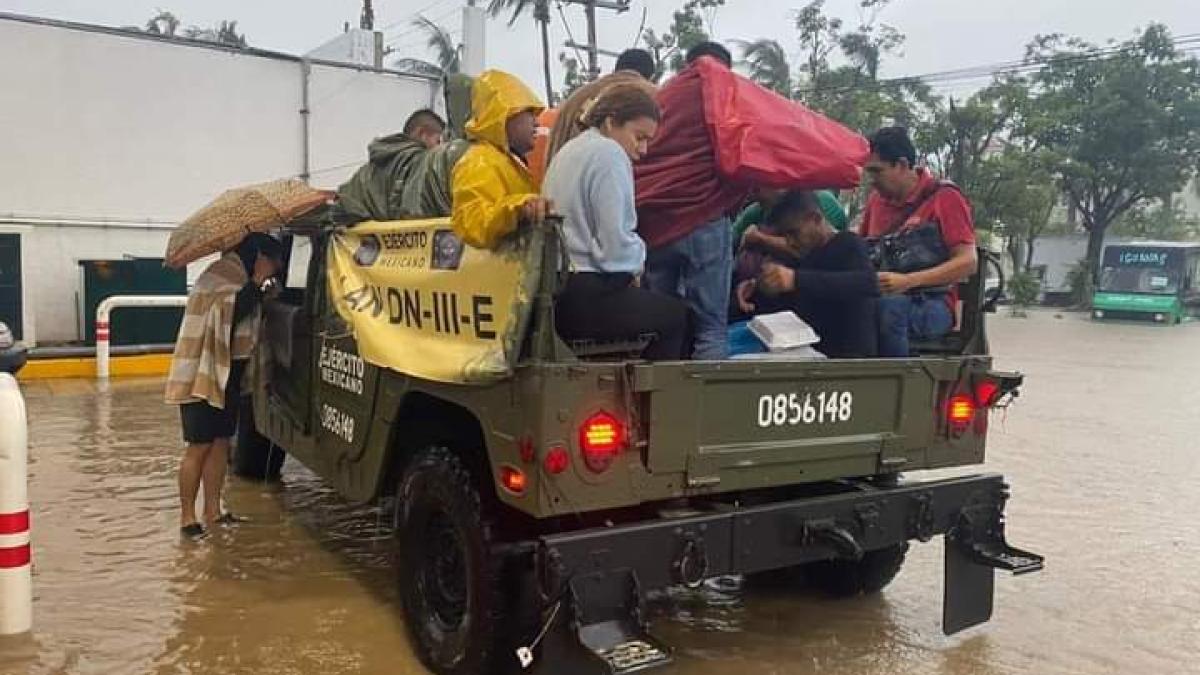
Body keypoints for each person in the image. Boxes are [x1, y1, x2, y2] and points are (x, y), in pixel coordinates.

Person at [543, 84, 690, 361]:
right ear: (611, 122)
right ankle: (656, 403)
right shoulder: (609, 155)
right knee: (678, 317)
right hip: (585, 293)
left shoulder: (569, 150)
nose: (644, 149)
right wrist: (638, 262)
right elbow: (613, 247)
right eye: (639, 137)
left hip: (556, 291)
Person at [634, 42, 749, 360]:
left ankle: (659, 403)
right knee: (710, 327)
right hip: (706, 220)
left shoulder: (663, 96)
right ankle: (707, 408)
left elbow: (643, 156)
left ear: (687, 64)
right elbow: (740, 157)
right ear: (724, 66)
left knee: (661, 323)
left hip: (658, 224)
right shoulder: (727, 93)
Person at [165, 233, 283, 541]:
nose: (277, 268)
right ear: (260, 257)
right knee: (199, 446)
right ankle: (187, 517)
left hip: (228, 376)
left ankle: (213, 511)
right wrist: (257, 283)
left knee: (220, 443)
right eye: (274, 262)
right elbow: (227, 313)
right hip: (202, 374)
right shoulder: (219, 276)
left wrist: (261, 290)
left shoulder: (240, 277)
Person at [857, 127, 977, 356]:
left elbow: (968, 262)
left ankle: (893, 386)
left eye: (876, 171)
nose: (872, 180)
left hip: (932, 304)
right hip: (881, 298)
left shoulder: (946, 197)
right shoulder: (876, 202)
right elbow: (860, 249)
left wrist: (908, 281)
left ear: (901, 165)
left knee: (890, 310)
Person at [735, 191, 879, 358]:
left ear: (816, 219)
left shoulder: (848, 244)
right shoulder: (803, 256)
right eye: (784, 236)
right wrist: (757, 287)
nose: (789, 241)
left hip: (847, 355)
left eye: (794, 232)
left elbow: (867, 283)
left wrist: (795, 280)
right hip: (806, 352)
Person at [451, 70, 552, 250]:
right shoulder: (479, 161)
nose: (537, 122)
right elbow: (472, 222)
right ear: (503, 114)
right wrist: (517, 208)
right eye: (529, 113)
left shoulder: (508, 162)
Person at [335, 109, 468, 223]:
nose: (439, 147)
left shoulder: (363, 176)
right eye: (438, 140)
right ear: (422, 134)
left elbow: (342, 206)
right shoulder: (424, 166)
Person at [545, 48, 657, 165]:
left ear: (615, 70)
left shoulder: (574, 99)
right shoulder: (655, 96)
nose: (643, 149)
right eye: (639, 137)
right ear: (652, 78)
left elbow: (553, 153)